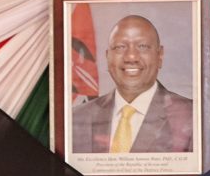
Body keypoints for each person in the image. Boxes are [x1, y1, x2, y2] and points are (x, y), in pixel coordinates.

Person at [71, 15, 193, 154]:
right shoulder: (76, 118)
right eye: (120, 47)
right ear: (107, 57)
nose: (131, 57)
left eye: (142, 46)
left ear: (160, 55)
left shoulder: (192, 116)